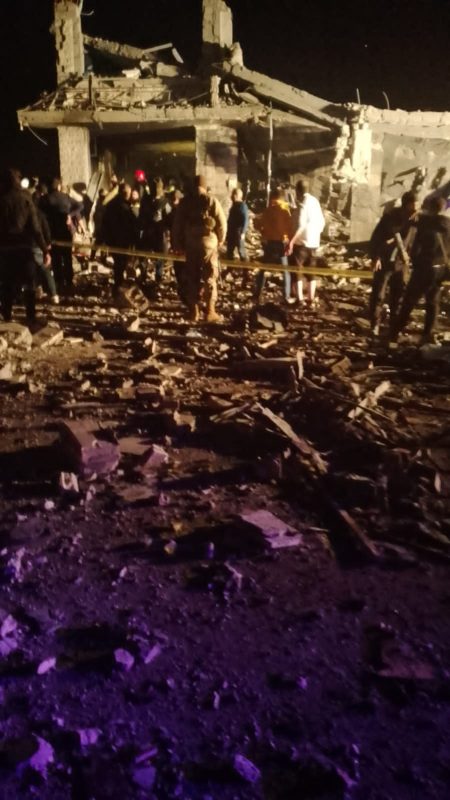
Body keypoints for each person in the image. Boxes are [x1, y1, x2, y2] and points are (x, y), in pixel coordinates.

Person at [390, 196, 450, 346]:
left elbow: (416, 245)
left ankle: (394, 333)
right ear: (444, 208)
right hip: (440, 269)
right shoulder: (448, 224)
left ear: (430, 208)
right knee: (433, 303)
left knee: (409, 301)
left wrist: (412, 261)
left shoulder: (425, 222)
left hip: (424, 267)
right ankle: (427, 335)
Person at [172, 174, 226, 322]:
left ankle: (194, 312)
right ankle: (210, 311)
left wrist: (177, 244)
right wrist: (220, 239)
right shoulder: (211, 200)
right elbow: (222, 222)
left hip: (190, 242)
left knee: (192, 277)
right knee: (210, 276)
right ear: (204, 186)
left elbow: (177, 225)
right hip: (208, 242)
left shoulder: (185, 202)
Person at [0, 168, 49, 325]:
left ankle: (7, 315)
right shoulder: (26, 198)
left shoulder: (1, 199)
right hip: (24, 247)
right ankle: (30, 316)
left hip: (5, 249)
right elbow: (35, 227)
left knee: (6, 283)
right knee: (29, 283)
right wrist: (45, 249)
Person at [368, 190, 418, 335]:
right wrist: (376, 257)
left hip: (403, 264)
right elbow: (376, 238)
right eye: (413, 205)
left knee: (398, 296)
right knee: (379, 294)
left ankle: (393, 327)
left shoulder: (417, 221)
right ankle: (375, 324)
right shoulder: (390, 218)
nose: (416, 208)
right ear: (406, 204)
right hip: (385, 261)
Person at [40, 177, 81, 295]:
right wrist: (70, 215)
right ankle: (69, 282)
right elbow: (80, 205)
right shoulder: (65, 197)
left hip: (52, 233)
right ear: (59, 186)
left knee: (56, 259)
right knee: (67, 258)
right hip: (65, 232)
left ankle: (59, 282)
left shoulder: (44, 199)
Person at [287, 178, 325, 305]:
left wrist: (291, 242)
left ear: (298, 191)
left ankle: (300, 299)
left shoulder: (303, 203)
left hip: (301, 243)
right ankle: (310, 298)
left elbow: (301, 225)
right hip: (314, 243)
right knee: (311, 272)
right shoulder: (315, 202)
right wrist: (315, 234)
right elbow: (322, 223)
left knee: (297, 271)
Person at [254, 188, 292, 304]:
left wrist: (263, 232)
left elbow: (258, 225)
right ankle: (286, 295)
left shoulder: (268, 210)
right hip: (281, 243)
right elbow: (290, 227)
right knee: (285, 271)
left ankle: (257, 293)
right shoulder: (286, 210)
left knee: (263, 269)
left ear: (272, 197)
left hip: (270, 243)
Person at [102, 182, 137, 293]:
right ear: (126, 193)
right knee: (121, 264)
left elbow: (104, 223)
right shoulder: (125, 207)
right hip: (122, 240)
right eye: (129, 193)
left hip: (113, 240)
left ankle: (118, 285)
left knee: (118, 263)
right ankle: (118, 286)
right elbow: (132, 224)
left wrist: (105, 239)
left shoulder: (111, 205)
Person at [139, 177, 170, 288]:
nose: (156, 191)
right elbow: (141, 215)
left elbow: (168, 217)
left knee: (160, 257)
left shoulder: (165, 202)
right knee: (143, 255)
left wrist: (164, 226)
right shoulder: (146, 200)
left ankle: (158, 277)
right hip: (148, 231)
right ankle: (143, 275)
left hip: (159, 233)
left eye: (157, 189)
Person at [226, 187, 249, 267]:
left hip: (238, 232)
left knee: (241, 252)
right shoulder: (234, 206)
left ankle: (246, 271)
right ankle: (229, 269)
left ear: (236, 196)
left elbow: (245, 219)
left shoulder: (242, 206)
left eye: (233, 194)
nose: (231, 196)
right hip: (231, 232)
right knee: (229, 252)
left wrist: (243, 232)